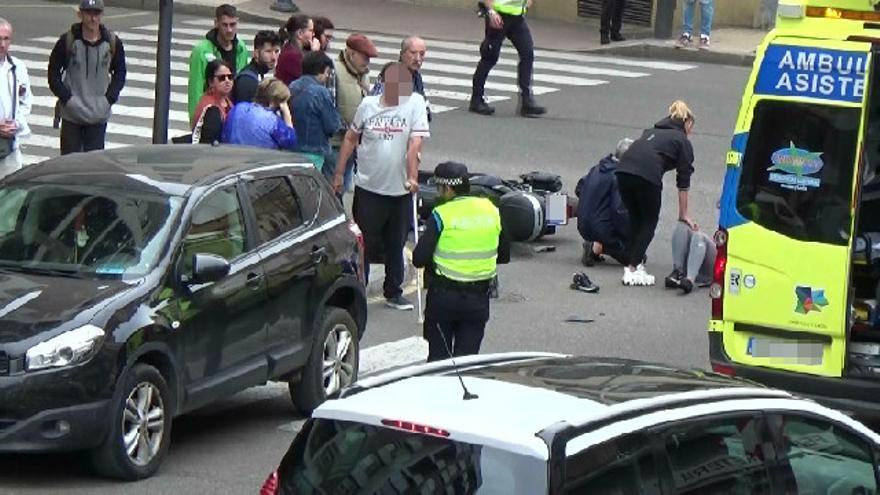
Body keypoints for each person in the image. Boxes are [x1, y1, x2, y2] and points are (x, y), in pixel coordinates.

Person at [331, 62, 429, 311]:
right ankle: (358, 289)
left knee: (396, 243)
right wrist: (340, 172)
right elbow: (351, 137)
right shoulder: (368, 105)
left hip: (399, 189)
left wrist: (412, 176)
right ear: (382, 83)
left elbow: (414, 144)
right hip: (369, 186)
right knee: (364, 243)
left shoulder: (415, 103)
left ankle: (393, 291)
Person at [413, 161, 510, 362]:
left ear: (447, 188)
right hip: (478, 300)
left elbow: (418, 258)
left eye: (439, 189)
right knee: (467, 364)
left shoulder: (442, 214)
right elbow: (504, 255)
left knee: (439, 364)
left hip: (443, 299)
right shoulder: (491, 209)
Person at [615, 100, 696, 286]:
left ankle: (634, 261)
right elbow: (683, 181)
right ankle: (632, 268)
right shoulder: (682, 141)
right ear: (688, 123)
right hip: (647, 175)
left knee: (636, 218)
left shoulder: (650, 132)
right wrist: (684, 215)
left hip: (622, 171)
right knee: (649, 221)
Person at [47, 0, 126, 156]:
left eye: (96, 13)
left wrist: (108, 99)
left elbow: (120, 73)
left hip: (98, 116)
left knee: (92, 167)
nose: (93, 18)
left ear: (102, 15)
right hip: (72, 116)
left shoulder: (112, 42)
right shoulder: (68, 41)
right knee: (70, 164)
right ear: (80, 14)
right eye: (89, 13)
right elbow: (53, 73)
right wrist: (67, 99)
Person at [469, 0, 545, 117]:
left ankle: (527, 101)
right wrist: (491, 12)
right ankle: (476, 100)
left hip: (517, 19)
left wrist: (525, 7)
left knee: (527, 53)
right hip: (498, 16)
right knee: (490, 57)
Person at [332, 34, 377, 199]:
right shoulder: (335, 70)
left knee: (344, 186)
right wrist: (348, 129)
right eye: (365, 57)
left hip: (354, 143)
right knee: (334, 186)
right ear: (352, 54)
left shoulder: (364, 74)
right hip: (336, 143)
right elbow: (332, 107)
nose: (367, 62)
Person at [575, 138, 632, 267]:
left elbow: (579, 188)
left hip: (583, 224)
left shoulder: (597, 168)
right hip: (599, 227)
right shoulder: (619, 176)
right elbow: (619, 212)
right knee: (633, 257)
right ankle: (597, 247)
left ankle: (597, 245)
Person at [187, 4, 248, 120]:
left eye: (233, 24)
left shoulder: (241, 48)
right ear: (216, 23)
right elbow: (196, 88)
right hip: (211, 113)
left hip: (232, 111)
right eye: (225, 25)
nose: (229, 30)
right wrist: (196, 121)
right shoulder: (202, 51)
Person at [290, 51, 343, 178]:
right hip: (313, 150)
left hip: (292, 149)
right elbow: (332, 126)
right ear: (322, 71)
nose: (327, 77)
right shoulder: (321, 92)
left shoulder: (292, 86)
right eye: (327, 73)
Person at [222, 77, 298, 151]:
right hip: (260, 160)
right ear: (274, 102)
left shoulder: (238, 108)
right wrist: (286, 114)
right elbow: (290, 142)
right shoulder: (272, 120)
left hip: (232, 157)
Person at [0, 18, 32, 177]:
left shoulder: (18, 68)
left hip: (10, 147)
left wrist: (15, 123)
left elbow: (25, 102)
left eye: (6, 39)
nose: (2, 44)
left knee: (12, 196)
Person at [232, 30, 282, 104]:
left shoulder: (257, 74)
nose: (274, 57)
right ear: (256, 53)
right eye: (268, 51)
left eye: (276, 51)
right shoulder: (247, 81)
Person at [665, 221, 715, 294]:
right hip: (695, 263)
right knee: (682, 226)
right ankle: (678, 272)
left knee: (699, 236)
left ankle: (689, 280)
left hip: (717, 268)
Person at [191, 60, 234, 144]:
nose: (227, 81)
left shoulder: (227, 101)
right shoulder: (209, 108)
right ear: (211, 82)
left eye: (230, 77)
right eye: (222, 78)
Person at [276, 14, 320, 86]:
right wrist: (315, 54)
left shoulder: (290, 48)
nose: (313, 34)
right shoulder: (293, 55)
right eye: (311, 30)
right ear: (300, 33)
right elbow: (312, 79)